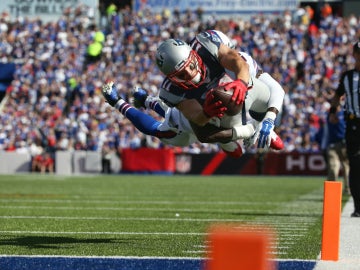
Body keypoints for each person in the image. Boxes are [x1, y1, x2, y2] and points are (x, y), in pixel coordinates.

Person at [155, 30, 285, 150]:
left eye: (191, 65)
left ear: (194, 54)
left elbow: (276, 90)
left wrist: (242, 83)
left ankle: (256, 124)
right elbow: (197, 117)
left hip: (243, 95)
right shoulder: (171, 90)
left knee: (247, 86)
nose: (190, 74)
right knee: (200, 133)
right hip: (206, 107)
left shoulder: (210, 48)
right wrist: (206, 114)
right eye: (181, 75)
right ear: (172, 78)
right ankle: (147, 101)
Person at [101, 82, 284, 157]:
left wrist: (250, 131)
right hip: (198, 112)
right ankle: (146, 100)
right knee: (176, 107)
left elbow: (233, 149)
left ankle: (118, 102)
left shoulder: (243, 124)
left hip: (189, 131)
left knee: (165, 125)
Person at [329, 41, 360, 217]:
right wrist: (333, 111)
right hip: (354, 124)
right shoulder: (348, 77)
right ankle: (358, 207)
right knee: (355, 166)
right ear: (355, 54)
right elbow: (337, 95)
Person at [323, 105, 350, 194]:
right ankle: (334, 190)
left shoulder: (334, 114)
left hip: (340, 143)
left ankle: (345, 189)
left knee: (344, 167)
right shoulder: (336, 114)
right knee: (335, 167)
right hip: (335, 144)